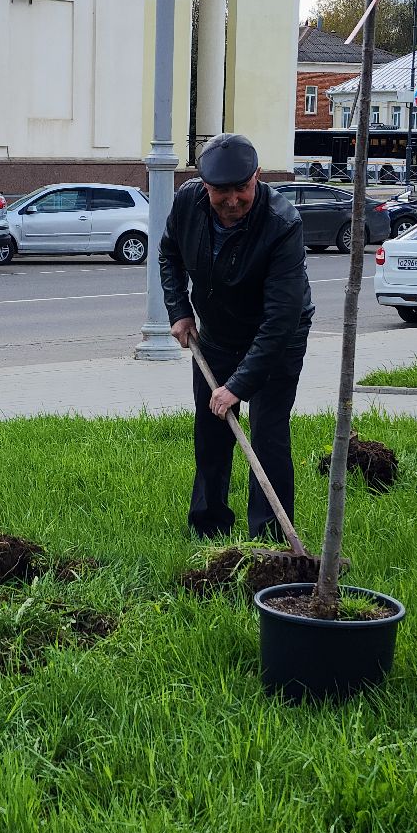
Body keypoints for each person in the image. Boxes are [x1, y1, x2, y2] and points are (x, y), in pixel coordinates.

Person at [159, 133, 316, 540]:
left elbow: (281, 319)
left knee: (268, 434)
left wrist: (238, 387)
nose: (232, 200)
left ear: (257, 177)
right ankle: (209, 527)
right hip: (215, 336)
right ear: (204, 185)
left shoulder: (282, 224)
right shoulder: (187, 203)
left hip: (276, 340)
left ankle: (270, 539)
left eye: (242, 189)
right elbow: (169, 253)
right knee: (210, 434)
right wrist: (179, 310)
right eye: (221, 191)